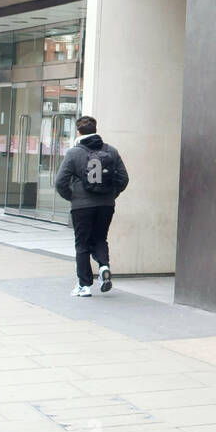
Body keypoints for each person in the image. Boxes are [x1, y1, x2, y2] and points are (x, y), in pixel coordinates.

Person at [55, 115, 130, 297]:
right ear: (96, 130)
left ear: (78, 132)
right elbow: (123, 178)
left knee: (82, 244)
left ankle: (84, 285)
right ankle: (104, 266)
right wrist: (112, 194)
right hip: (106, 204)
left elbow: (60, 182)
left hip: (81, 206)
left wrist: (72, 197)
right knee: (100, 239)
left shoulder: (74, 153)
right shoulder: (111, 151)